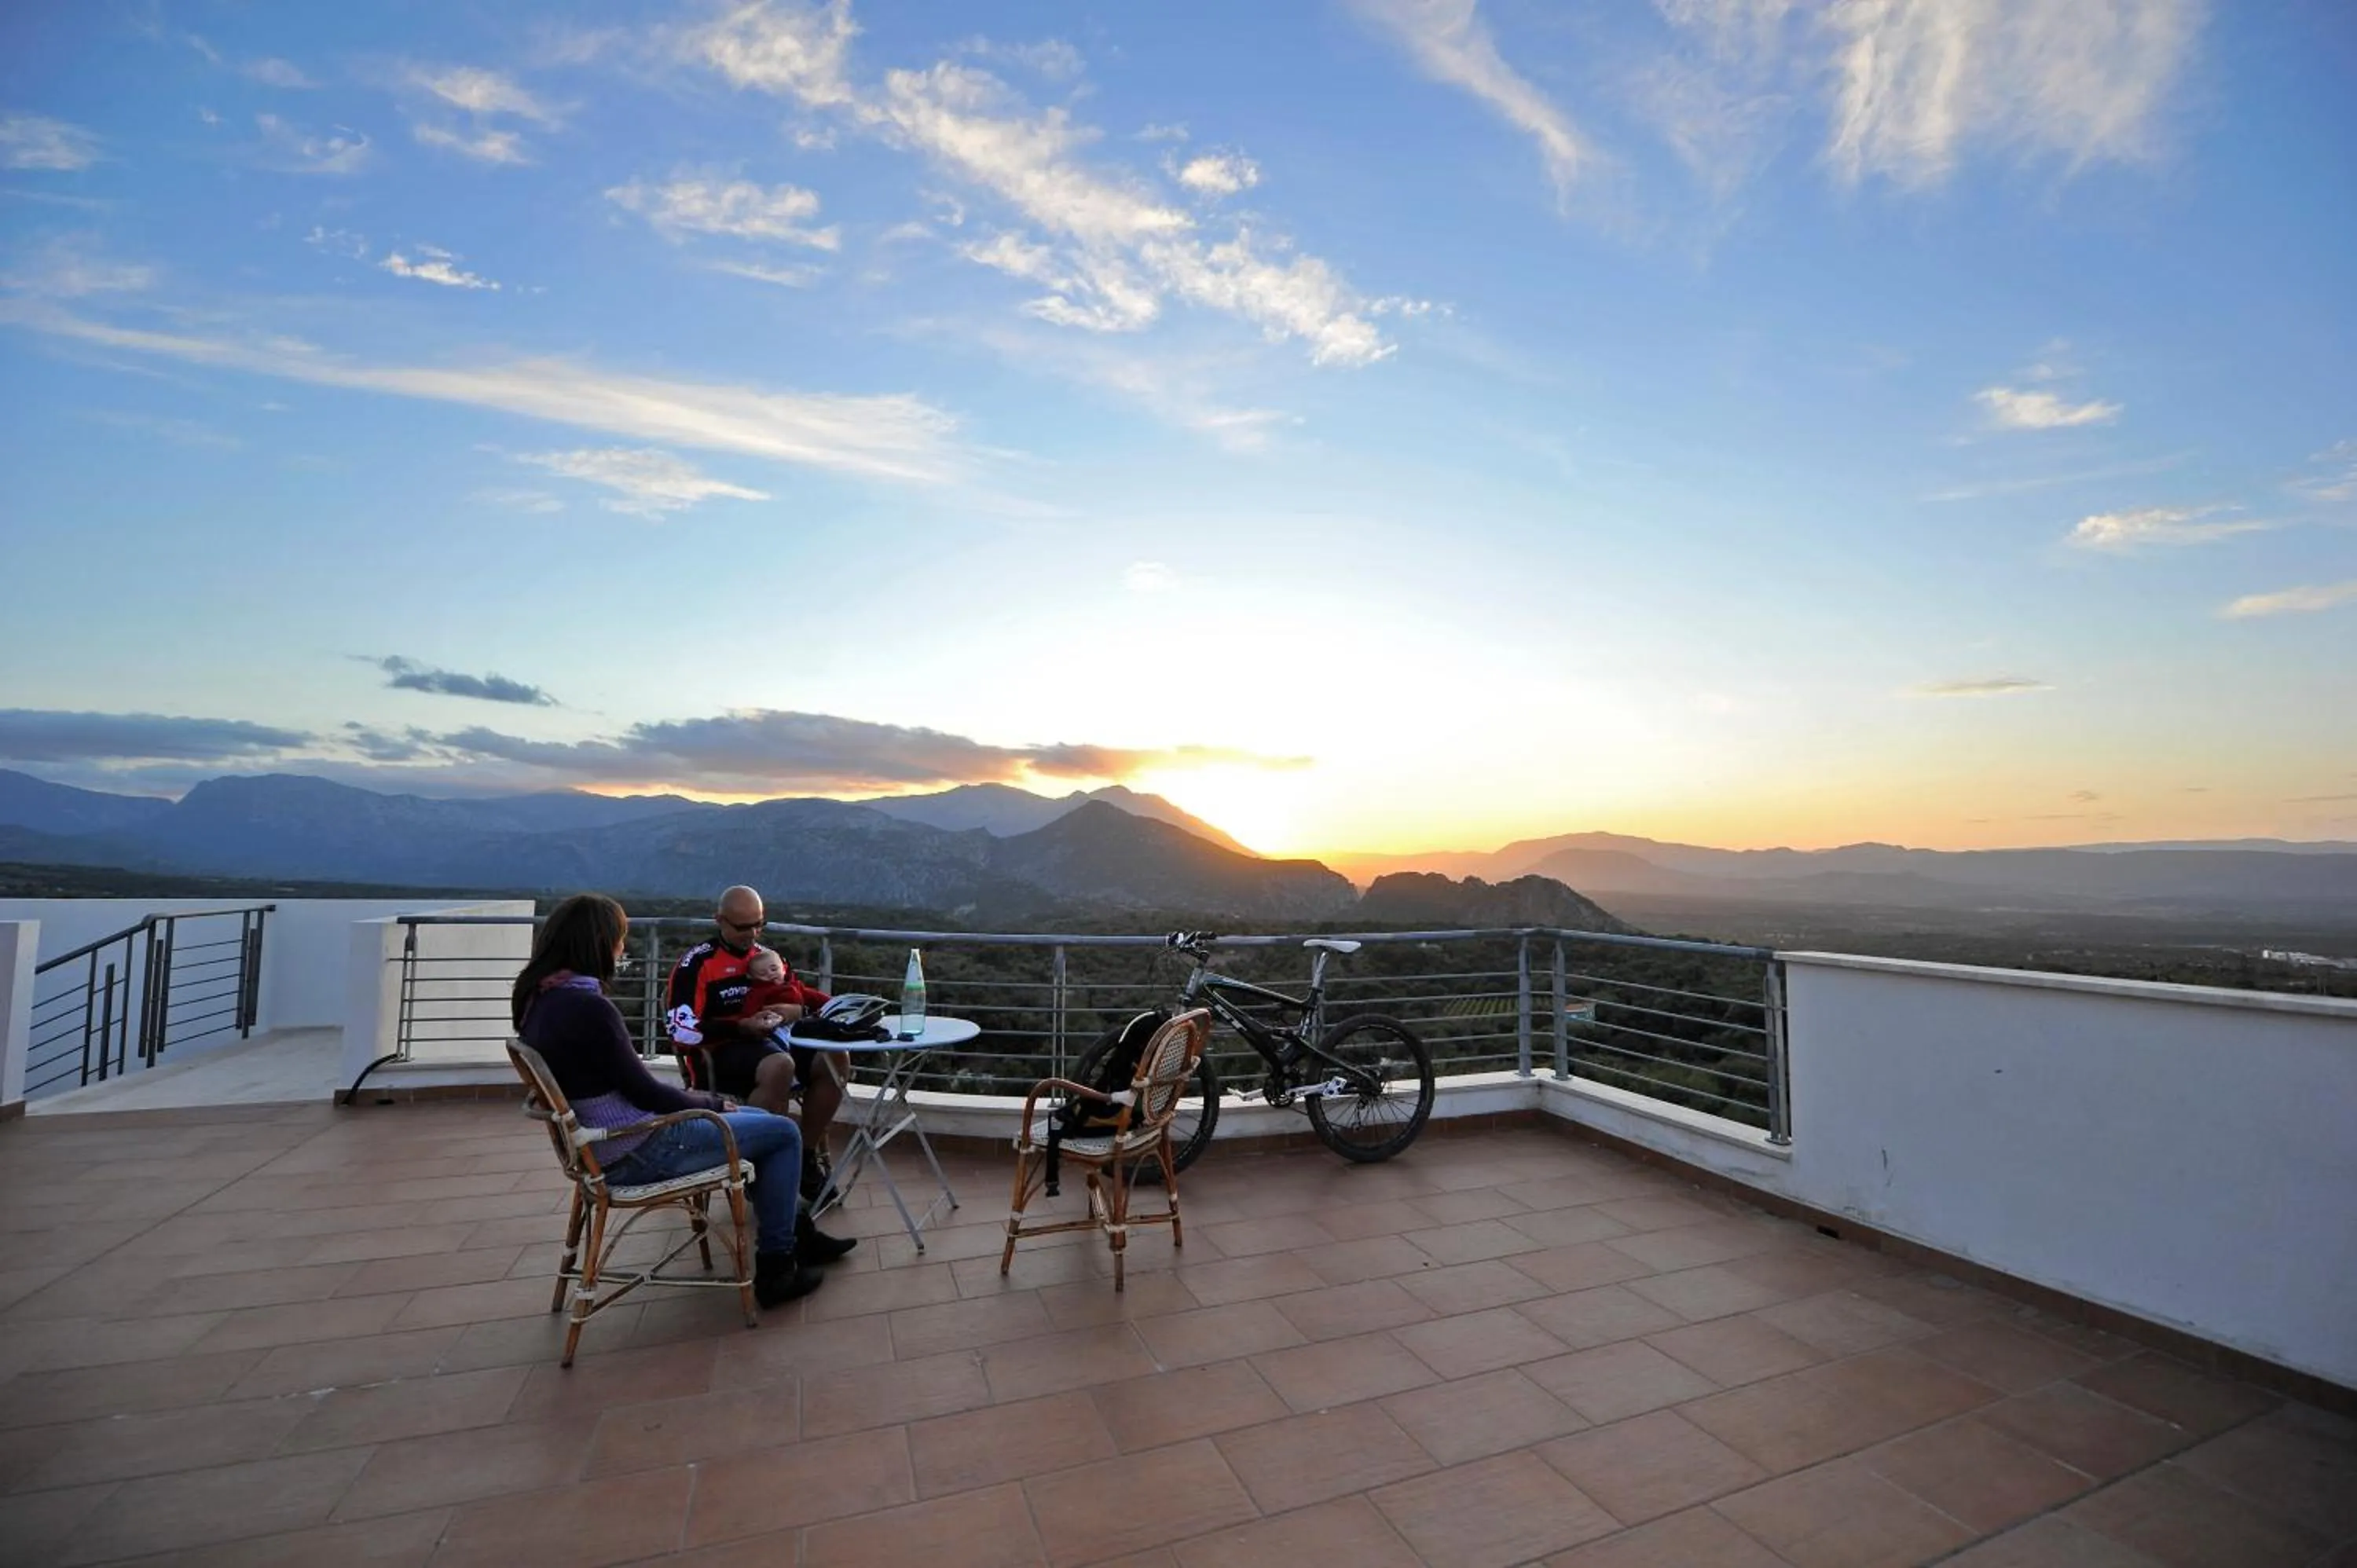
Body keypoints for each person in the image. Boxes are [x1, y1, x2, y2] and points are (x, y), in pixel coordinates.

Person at [513, 892, 849, 1310]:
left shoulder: (537, 999)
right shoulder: (590, 1008)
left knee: (758, 1122)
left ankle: (799, 1234)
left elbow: (636, 1090)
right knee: (782, 1133)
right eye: (620, 939)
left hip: (603, 1144)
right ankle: (778, 1266)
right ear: (596, 944)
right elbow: (648, 1093)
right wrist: (709, 1102)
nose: (623, 948)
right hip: (639, 1146)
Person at [665, 886, 850, 1197]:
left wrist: (797, 1011)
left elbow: (799, 997)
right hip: (719, 1054)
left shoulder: (768, 958)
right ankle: (764, 1168)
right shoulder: (696, 964)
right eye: (743, 927)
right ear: (719, 921)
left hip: (774, 1042)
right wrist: (739, 1027)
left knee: (836, 1059)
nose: (752, 934)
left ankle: (799, 1159)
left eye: (759, 924)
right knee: (779, 1066)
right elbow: (679, 1030)